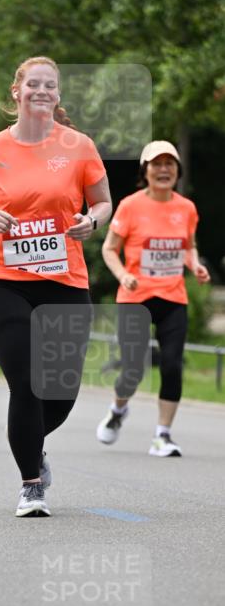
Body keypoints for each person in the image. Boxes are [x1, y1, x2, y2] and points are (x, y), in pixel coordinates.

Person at [0, 56, 112, 517]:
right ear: (16, 92)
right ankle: (31, 484)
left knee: (60, 393)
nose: (41, 91)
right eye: (33, 84)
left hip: (63, 279)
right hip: (2, 278)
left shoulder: (79, 147)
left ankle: (32, 445)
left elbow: (103, 203)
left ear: (58, 95)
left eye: (50, 85)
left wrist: (91, 222)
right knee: (26, 383)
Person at [96, 140, 210, 456]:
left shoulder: (186, 208)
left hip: (173, 297)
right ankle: (118, 410)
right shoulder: (130, 206)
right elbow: (109, 249)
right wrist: (123, 275)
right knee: (133, 370)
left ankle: (163, 435)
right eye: (156, 164)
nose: (163, 170)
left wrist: (195, 265)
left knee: (172, 365)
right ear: (145, 171)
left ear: (177, 170)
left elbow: (188, 246)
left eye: (169, 164)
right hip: (135, 297)